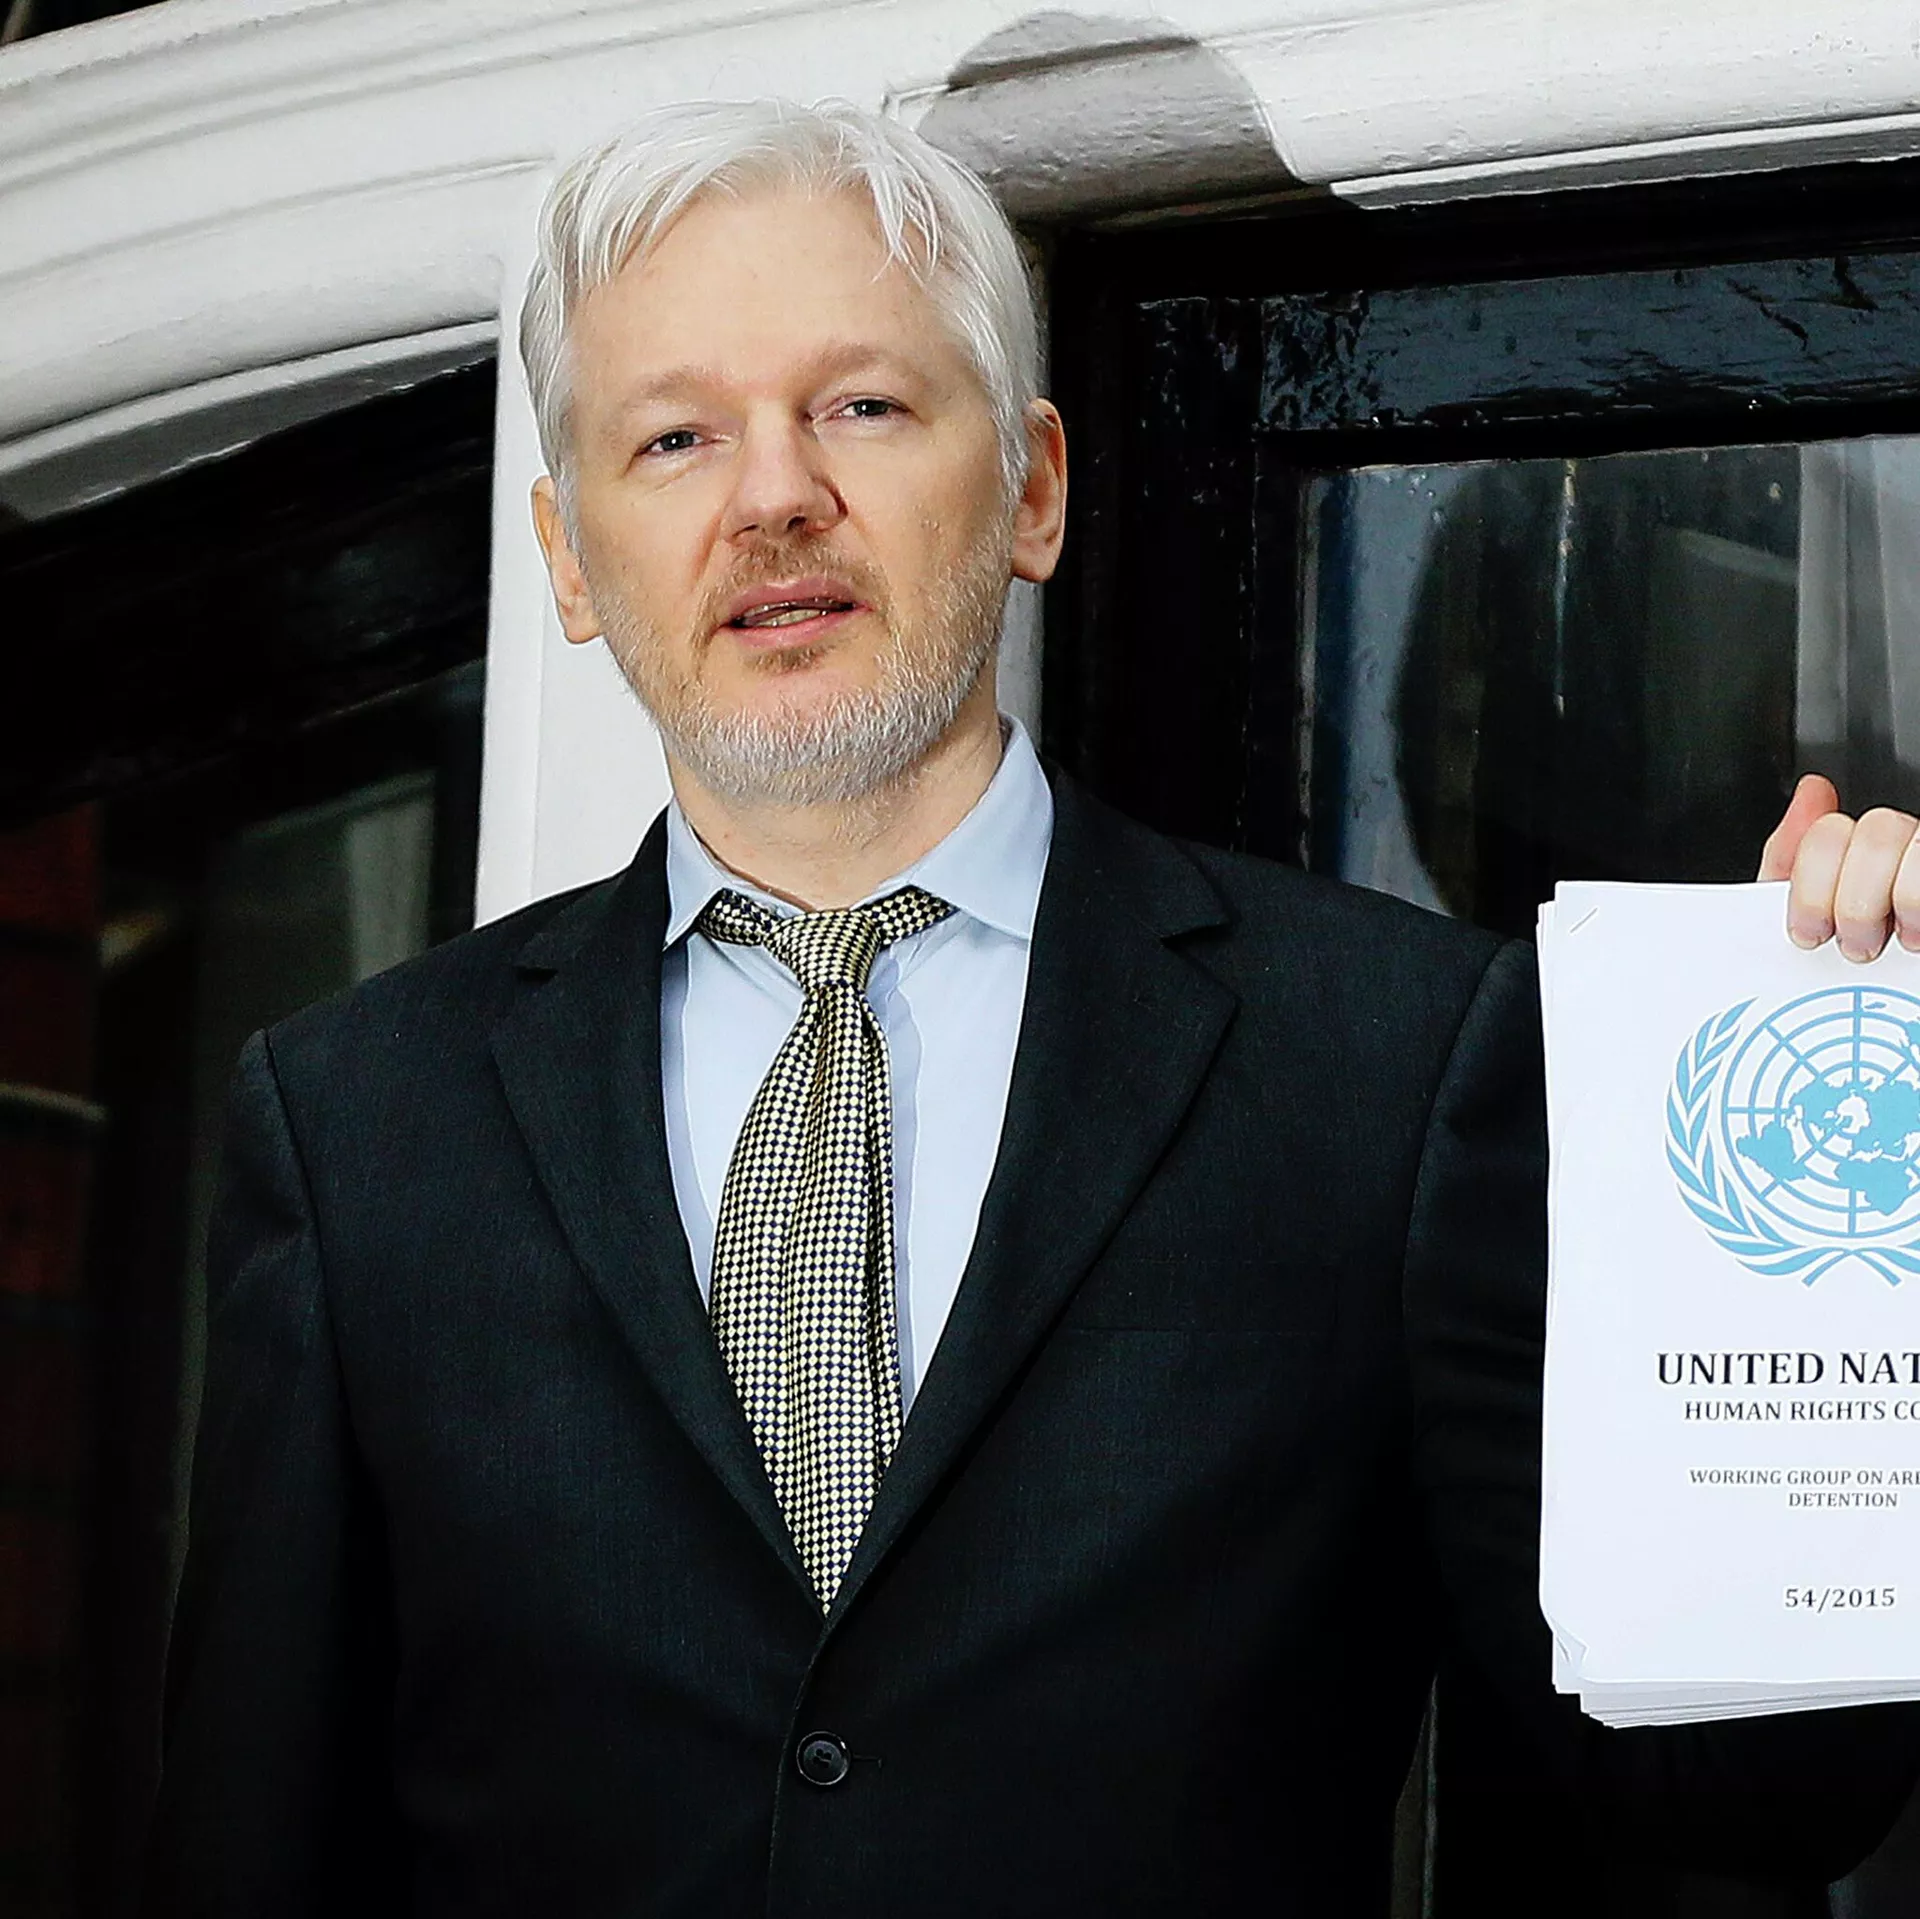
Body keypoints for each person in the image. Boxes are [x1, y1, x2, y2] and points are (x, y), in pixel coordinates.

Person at [145, 100, 1920, 1916]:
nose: (774, 496)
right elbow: (249, 1845)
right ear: (571, 559)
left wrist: (1867, 1159)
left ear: (1036, 489)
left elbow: (1727, 1804)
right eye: (676, 435)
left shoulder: (1397, 1057)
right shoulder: (356, 1123)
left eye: (861, 405)